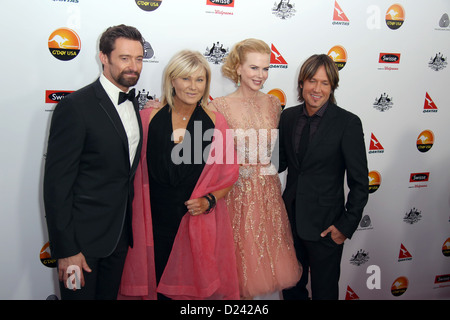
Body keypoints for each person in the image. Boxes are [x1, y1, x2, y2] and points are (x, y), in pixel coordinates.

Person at [119, 50, 240, 300]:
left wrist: (209, 201)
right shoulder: (147, 118)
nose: (193, 86)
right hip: (152, 222)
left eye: (200, 79)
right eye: (185, 78)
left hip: (194, 222)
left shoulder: (216, 123)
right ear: (172, 80)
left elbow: (229, 174)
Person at [43, 25, 145, 300]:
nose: (133, 66)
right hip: (80, 247)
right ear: (104, 57)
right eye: (125, 58)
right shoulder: (75, 107)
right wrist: (66, 250)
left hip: (119, 240)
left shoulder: (133, 105)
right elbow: (57, 186)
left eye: (138, 58)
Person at [208, 38, 302, 299]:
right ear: (237, 68)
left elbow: (278, 151)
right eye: (253, 68)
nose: (261, 75)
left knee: (262, 264)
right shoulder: (220, 106)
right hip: (235, 194)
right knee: (238, 272)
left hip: (268, 193)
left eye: (265, 69)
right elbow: (210, 154)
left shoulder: (273, 103)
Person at [278, 54, 369, 300]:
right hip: (290, 223)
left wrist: (344, 226)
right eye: (311, 80)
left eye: (325, 83)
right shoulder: (287, 117)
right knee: (291, 290)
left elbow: (361, 183)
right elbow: (278, 163)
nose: (317, 89)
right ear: (301, 83)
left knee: (324, 293)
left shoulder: (347, 123)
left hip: (326, 229)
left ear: (332, 87)